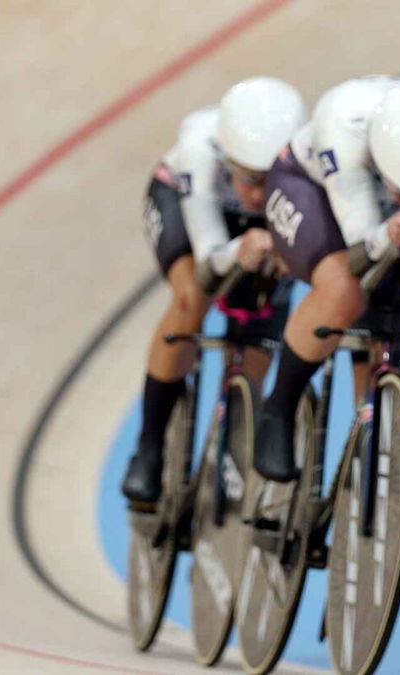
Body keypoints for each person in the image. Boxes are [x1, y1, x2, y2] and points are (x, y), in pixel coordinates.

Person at [252, 77, 400, 482]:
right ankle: (279, 407)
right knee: (344, 286)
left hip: (385, 205)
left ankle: (368, 438)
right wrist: (393, 230)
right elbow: (362, 249)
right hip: (310, 188)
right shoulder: (344, 129)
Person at [122, 77, 307, 503]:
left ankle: (235, 427)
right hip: (184, 204)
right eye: (248, 180)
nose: (258, 195)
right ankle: (148, 447)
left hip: (247, 230)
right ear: (227, 159)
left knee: (265, 311)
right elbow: (209, 262)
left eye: (270, 180)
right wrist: (240, 251)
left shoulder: (301, 157)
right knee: (191, 297)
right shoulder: (199, 149)